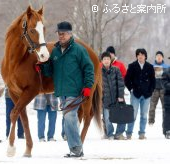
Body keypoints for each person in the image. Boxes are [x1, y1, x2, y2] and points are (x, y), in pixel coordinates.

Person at [41, 21, 94, 157]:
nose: (61, 36)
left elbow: (89, 68)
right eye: (59, 34)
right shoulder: (56, 51)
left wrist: (88, 86)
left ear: (70, 34)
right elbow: (49, 72)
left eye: (63, 34)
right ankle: (75, 149)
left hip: (75, 91)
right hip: (61, 92)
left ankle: (77, 149)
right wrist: (44, 65)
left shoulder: (79, 50)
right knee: (68, 120)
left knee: (70, 117)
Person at [125, 48, 155, 140]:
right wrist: (131, 89)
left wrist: (150, 91)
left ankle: (142, 133)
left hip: (146, 95)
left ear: (145, 56)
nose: (140, 56)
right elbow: (127, 80)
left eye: (142, 54)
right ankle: (129, 133)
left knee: (144, 115)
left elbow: (153, 81)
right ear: (137, 56)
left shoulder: (150, 67)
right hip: (135, 94)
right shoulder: (132, 66)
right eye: (138, 54)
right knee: (132, 115)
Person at [101, 52, 125, 140]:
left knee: (121, 117)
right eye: (104, 59)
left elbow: (121, 83)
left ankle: (119, 133)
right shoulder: (99, 71)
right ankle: (110, 133)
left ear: (110, 60)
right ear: (102, 61)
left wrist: (121, 96)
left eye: (108, 59)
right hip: (105, 100)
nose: (106, 61)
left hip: (117, 98)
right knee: (107, 118)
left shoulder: (116, 70)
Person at [148, 51, 168, 125]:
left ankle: (165, 122)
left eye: (160, 56)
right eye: (157, 56)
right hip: (154, 89)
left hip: (164, 89)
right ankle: (151, 121)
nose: (159, 57)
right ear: (155, 57)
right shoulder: (151, 66)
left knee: (165, 107)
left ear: (162, 57)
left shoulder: (167, 67)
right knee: (152, 106)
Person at [162, 64, 170, 139]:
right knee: (167, 115)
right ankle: (167, 131)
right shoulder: (166, 71)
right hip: (168, 97)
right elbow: (164, 84)